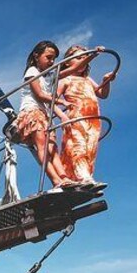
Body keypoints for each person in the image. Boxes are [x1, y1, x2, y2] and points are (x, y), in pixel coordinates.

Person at [14, 40, 101, 188]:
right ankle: (56, 180)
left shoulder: (51, 75)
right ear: (36, 56)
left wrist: (92, 56)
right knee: (42, 148)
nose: (52, 61)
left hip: (45, 115)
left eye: (54, 58)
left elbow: (74, 67)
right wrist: (63, 103)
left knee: (53, 149)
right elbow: (40, 95)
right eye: (48, 57)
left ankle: (65, 178)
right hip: (32, 112)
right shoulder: (32, 72)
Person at [56, 44, 116, 184]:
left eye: (84, 57)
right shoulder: (65, 78)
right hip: (76, 117)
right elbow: (53, 100)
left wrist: (106, 81)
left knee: (90, 149)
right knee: (78, 146)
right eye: (78, 57)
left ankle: (82, 177)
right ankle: (84, 177)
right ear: (67, 62)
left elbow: (102, 94)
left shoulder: (87, 79)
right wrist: (62, 116)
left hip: (93, 120)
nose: (83, 60)